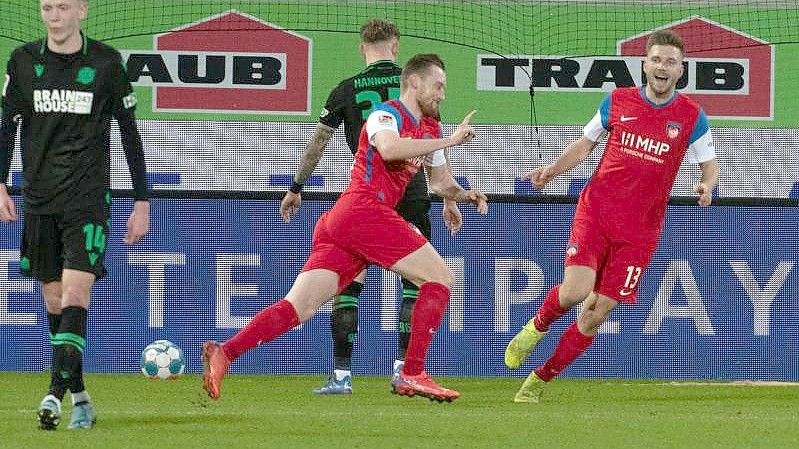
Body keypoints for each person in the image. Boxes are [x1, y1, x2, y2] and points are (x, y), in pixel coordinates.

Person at [203, 53, 486, 403]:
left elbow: (440, 182)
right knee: (441, 278)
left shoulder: (431, 128)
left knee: (300, 306)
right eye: (438, 85)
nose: (442, 94)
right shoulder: (386, 115)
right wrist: (450, 141)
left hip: (345, 223)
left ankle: (226, 352)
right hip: (365, 212)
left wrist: (464, 194)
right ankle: (411, 373)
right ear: (414, 82)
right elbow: (388, 147)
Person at [504, 29, 719, 403]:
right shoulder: (618, 101)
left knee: (596, 314)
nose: (663, 67)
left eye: (671, 62)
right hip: (597, 212)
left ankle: (539, 380)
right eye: (657, 60)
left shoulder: (691, 117)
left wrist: (707, 185)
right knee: (575, 292)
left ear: (681, 70)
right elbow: (585, 144)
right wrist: (552, 170)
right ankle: (535, 328)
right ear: (645, 65)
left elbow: (710, 166)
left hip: (640, 232)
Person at [280, 19, 463, 395]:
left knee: (348, 283)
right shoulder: (420, 89)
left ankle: (342, 375)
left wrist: (296, 186)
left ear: (362, 48)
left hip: (367, 195)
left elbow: (318, 144)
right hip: (411, 193)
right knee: (419, 281)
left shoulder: (346, 90)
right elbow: (432, 149)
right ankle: (404, 370)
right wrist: (448, 197)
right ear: (396, 47)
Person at [0, 0, 149, 429]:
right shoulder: (23, 61)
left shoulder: (106, 63)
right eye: (47, 7)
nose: (53, 15)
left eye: (63, 7)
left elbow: (130, 134)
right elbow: (7, 126)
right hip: (40, 199)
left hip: (87, 200)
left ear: (82, 11)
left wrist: (142, 202)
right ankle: (81, 395)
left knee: (75, 296)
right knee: (52, 299)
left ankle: (52, 396)